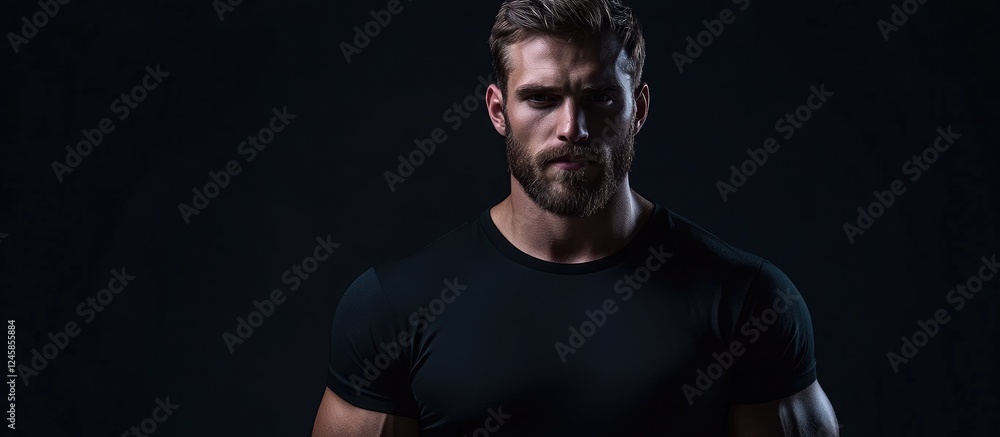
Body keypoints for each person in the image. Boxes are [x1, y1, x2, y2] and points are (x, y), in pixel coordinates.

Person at [313, 0, 839, 435]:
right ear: (498, 111)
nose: (572, 128)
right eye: (541, 98)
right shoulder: (393, 306)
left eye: (600, 98)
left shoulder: (748, 301)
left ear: (639, 109)